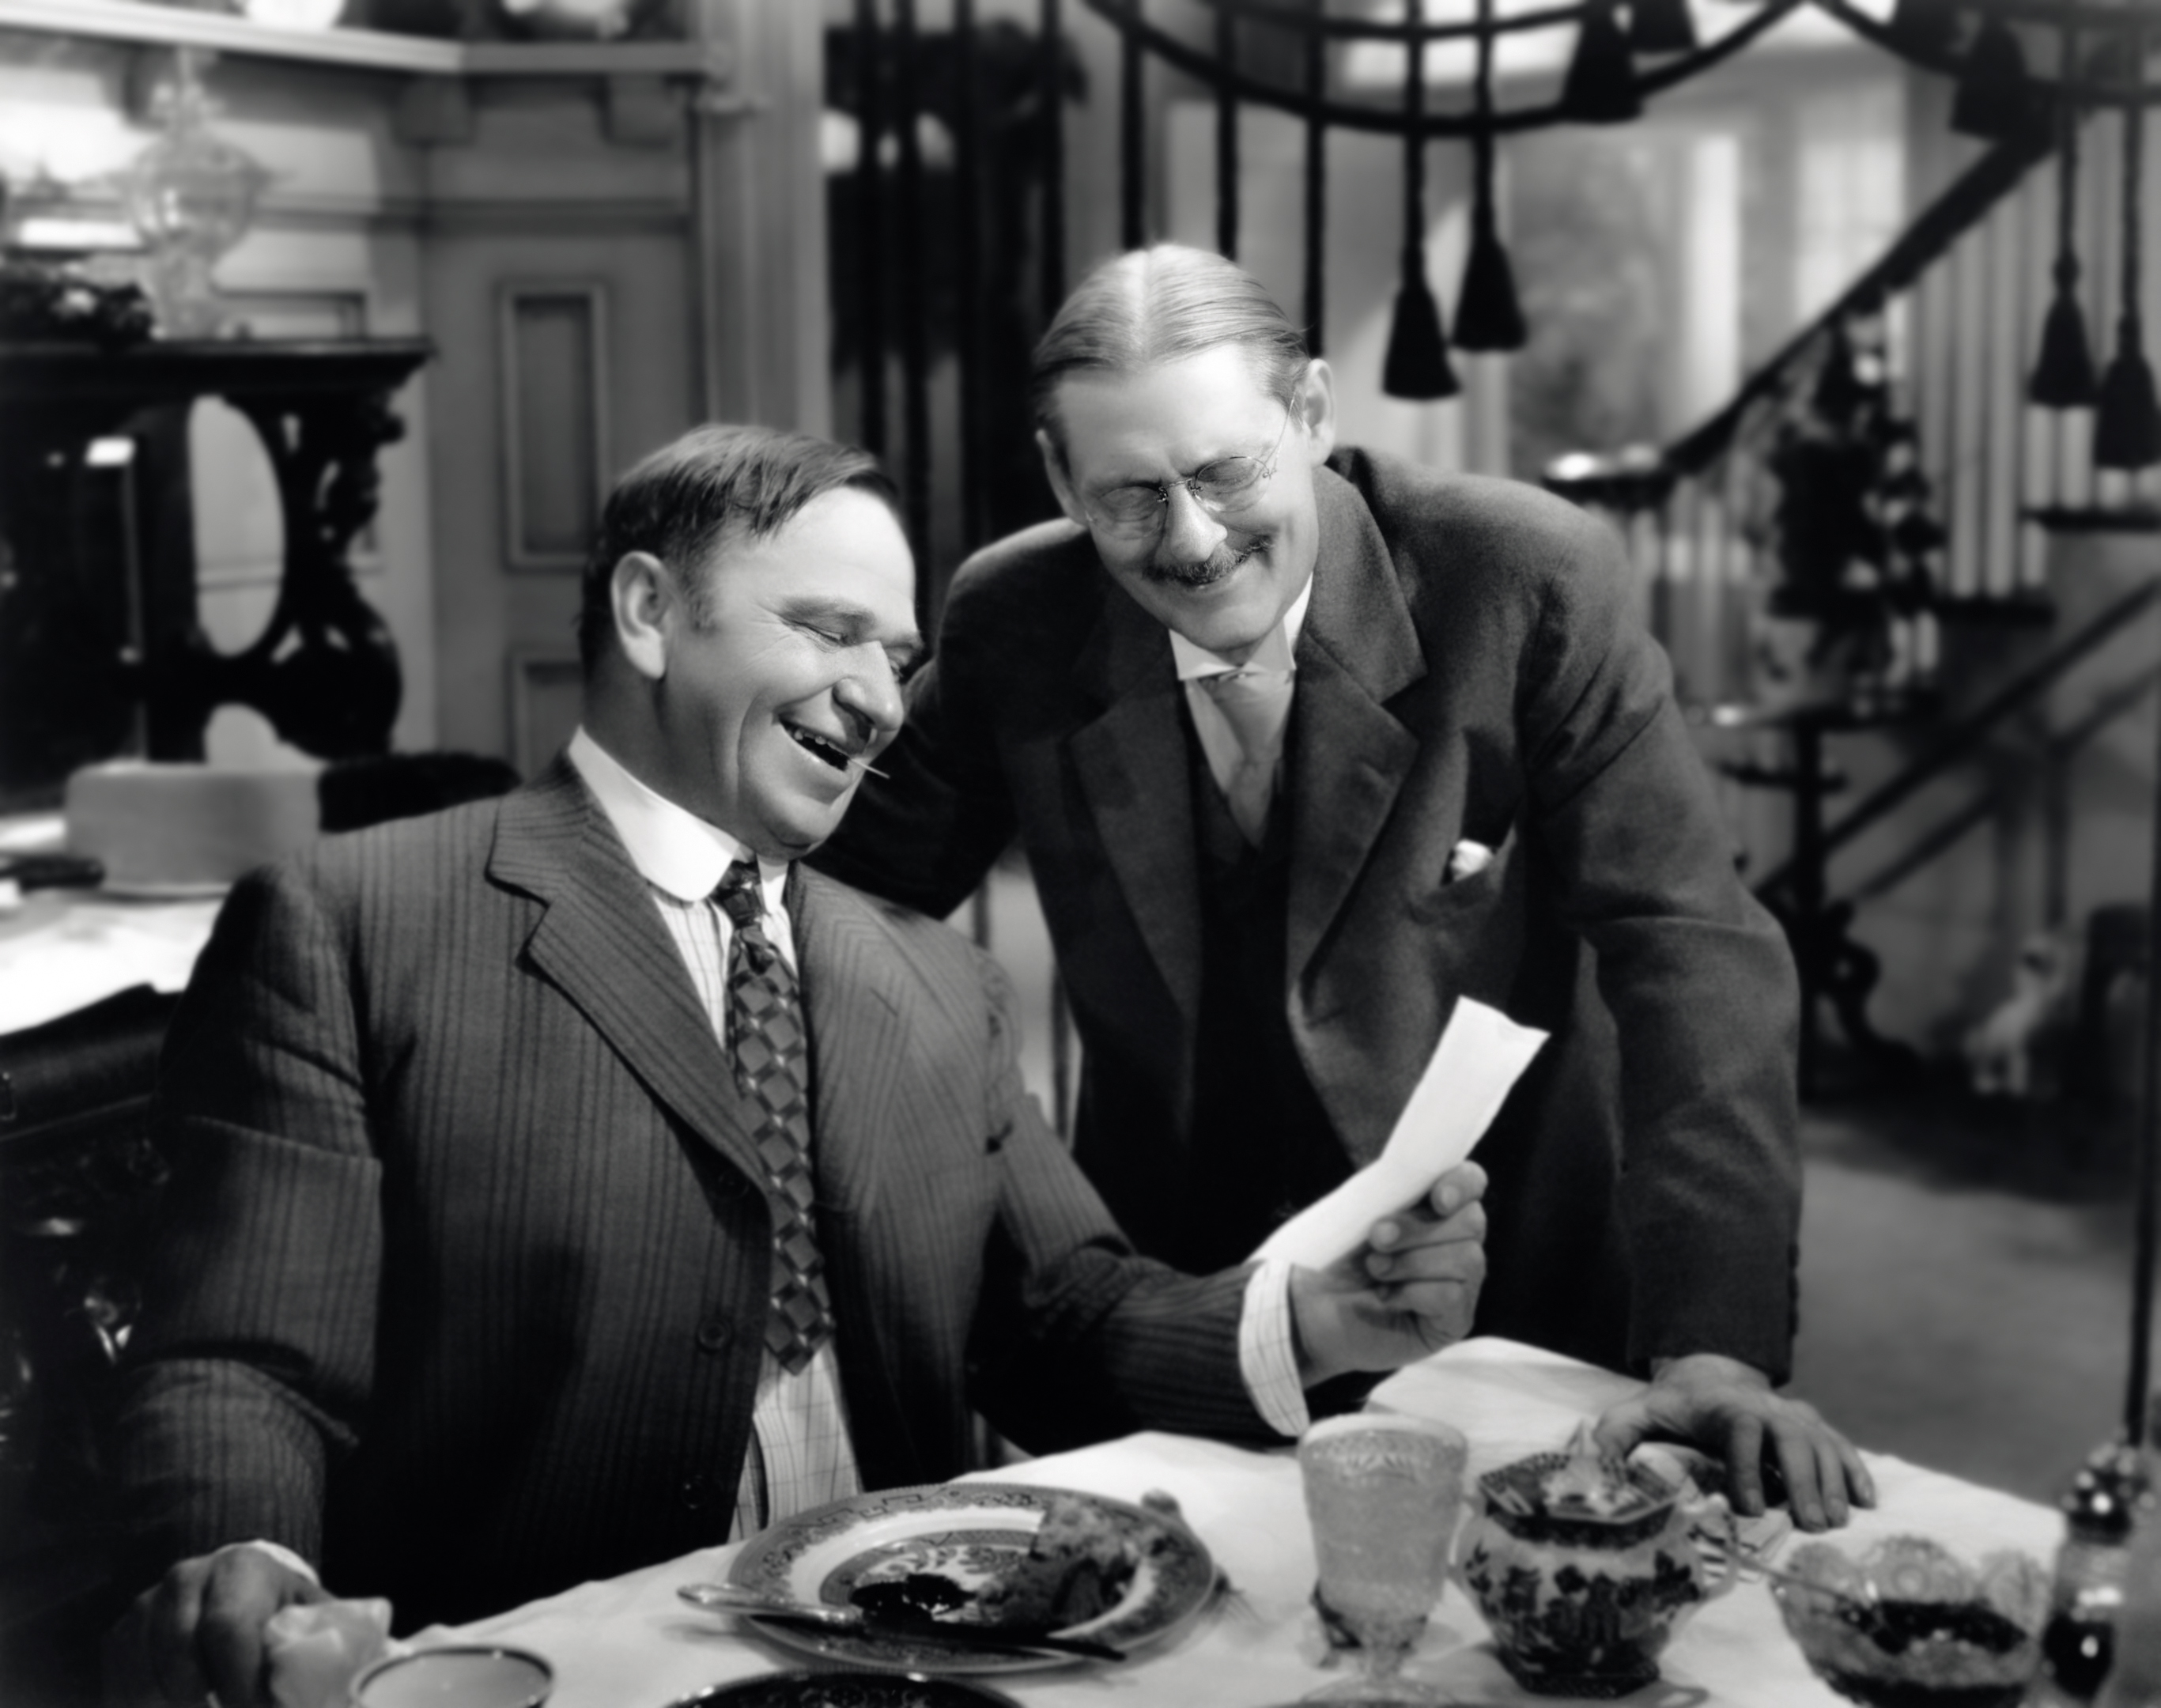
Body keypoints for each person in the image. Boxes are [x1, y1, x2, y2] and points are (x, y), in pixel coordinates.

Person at [101, 424, 1491, 1708]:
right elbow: (245, 1364)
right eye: (830, 631)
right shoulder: (354, 926)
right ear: (648, 613)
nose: (881, 700)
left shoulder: (933, 978)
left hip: (913, 1677)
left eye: (898, 656)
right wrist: (243, 1571)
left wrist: (1316, 1319)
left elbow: (1063, 1320)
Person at [814, 245, 1874, 1529]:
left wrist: (1711, 1345)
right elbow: (850, 904)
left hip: (1501, 1284)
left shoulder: (1520, 577)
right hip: (1184, 1292)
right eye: (1130, 496)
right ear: (1057, 478)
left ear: (1311, 413)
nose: (1191, 540)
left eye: (1226, 472)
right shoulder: (1015, 617)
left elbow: (1688, 944)